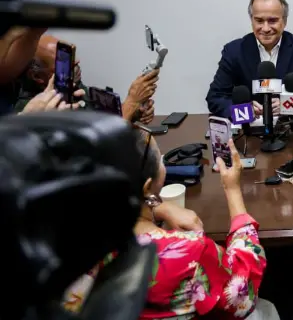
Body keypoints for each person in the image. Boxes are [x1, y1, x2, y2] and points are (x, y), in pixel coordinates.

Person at [64, 135, 277, 319]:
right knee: (266, 309)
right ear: (148, 186)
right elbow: (242, 295)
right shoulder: (187, 252)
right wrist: (233, 191)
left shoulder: (69, 241)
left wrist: (157, 207)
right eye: (161, 159)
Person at [206, 0, 293, 119]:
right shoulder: (234, 51)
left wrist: (288, 105)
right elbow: (215, 98)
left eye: (272, 21)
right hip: (250, 127)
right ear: (252, 20)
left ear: (284, 21)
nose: (265, 28)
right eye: (259, 21)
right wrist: (245, 111)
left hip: (290, 126)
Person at [13, 34, 159, 124]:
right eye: (64, 62)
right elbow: (100, 150)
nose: (76, 62)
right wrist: (132, 102)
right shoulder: (34, 115)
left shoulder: (72, 89)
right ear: (37, 76)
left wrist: (133, 112)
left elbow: (100, 124)